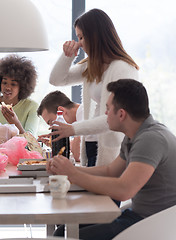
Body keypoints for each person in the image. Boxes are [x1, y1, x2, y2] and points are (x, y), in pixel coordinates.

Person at [47, 79, 176, 240]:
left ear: (121, 114)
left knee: (67, 235)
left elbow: (124, 190)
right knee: (62, 232)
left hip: (153, 225)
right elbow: (110, 171)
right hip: (138, 216)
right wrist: (65, 168)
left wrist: (73, 173)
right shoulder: (135, 135)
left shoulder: (151, 139)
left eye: (107, 109)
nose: (105, 114)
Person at [45, 8, 139, 167]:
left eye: (82, 37)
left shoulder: (122, 69)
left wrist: (72, 129)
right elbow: (56, 80)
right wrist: (67, 57)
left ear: (95, 35)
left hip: (111, 147)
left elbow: (115, 117)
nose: (79, 43)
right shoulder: (91, 66)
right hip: (90, 142)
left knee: (102, 190)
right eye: (78, 37)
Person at [36, 90, 84, 163]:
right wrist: (57, 143)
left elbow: (77, 154)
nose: (53, 127)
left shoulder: (84, 114)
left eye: (51, 122)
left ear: (61, 111)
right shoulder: (80, 115)